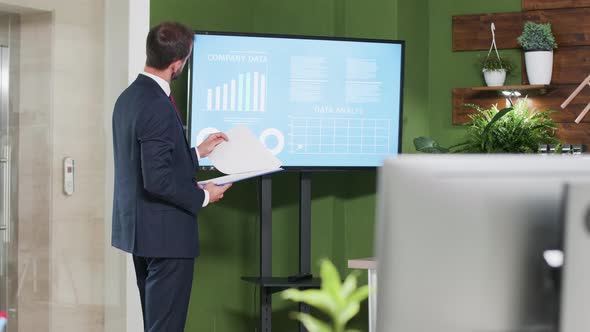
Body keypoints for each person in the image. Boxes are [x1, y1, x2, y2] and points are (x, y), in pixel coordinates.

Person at [111, 21, 232, 331]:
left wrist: (196, 153)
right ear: (178, 63)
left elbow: (147, 163)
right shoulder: (157, 105)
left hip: (144, 236)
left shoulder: (129, 98)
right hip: (167, 239)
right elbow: (157, 180)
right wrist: (205, 195)